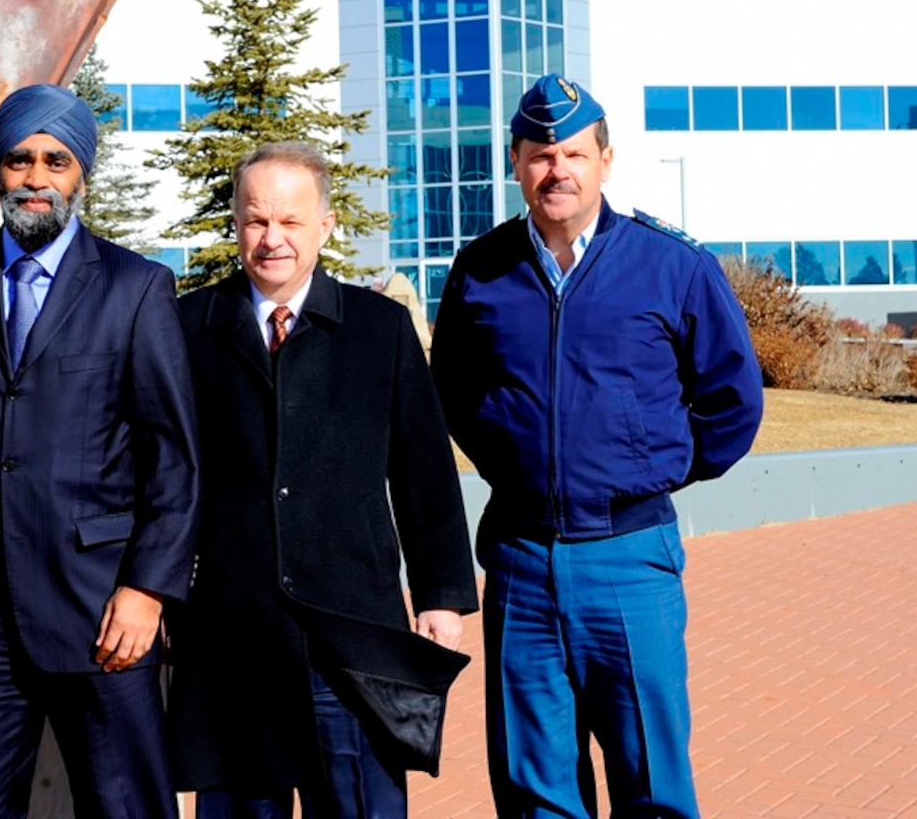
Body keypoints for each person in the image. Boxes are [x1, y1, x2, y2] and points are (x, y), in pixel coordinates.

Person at [431, 75, 764, 818]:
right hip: (519, 558)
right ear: (515, 163)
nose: (559, 170)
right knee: (532, 788)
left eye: (575, 154)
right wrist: (512, 458)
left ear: (605, 162)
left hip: (630, 558)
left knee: (652, 781)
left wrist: (654, 470)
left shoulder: (672, 264)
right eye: (542, 155)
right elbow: (451, 389)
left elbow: (732, 399)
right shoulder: (481, 271)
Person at [0, 83, 200, 818]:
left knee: (129, 808)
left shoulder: (137, 288)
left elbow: (174, 456)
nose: (36, 178)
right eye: (19, 160)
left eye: (55, 161)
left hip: (102, 611)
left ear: (80, 173)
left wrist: (148, 588)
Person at [169, 140, 479, 819]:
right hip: (233, 634)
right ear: (236, 224)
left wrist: (442, 597)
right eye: (256, 220)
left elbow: (425, 474)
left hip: (350, 633)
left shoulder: (381, 330)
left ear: (325, 226)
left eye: (290, 222)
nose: (272, 239)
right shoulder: (188, 327)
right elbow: (161, 473)